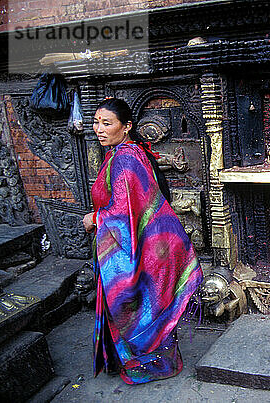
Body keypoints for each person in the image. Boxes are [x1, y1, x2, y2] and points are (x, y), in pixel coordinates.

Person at [82, 98, 202, 384]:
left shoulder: (124, 157)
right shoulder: (124, 153)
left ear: (127, 127)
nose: (99, 129)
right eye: (96, 122)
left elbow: (124, 211)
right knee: (147, 302)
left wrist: (96, 219)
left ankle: (154, 365)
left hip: (136, 247)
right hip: (138, 244)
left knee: (137, 304)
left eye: (106, 123)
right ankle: (157, 360)